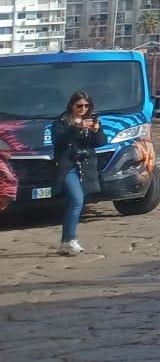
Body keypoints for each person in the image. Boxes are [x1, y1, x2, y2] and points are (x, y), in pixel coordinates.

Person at [50, 89, 102, 257]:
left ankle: (65, 242)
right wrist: (77, 128)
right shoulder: (61, 122)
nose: (83, 109)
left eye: (87, 106)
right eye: (79, 106)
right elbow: (61, 142)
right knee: (77, 201)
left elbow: (99, 143)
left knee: (74, 203)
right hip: (67, 166)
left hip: (84, 166)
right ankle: (71, 240)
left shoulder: (89, 120)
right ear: (72, 105)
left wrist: (97, 131)